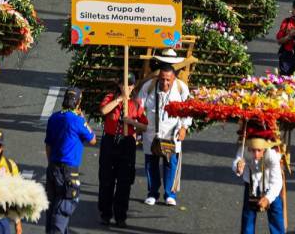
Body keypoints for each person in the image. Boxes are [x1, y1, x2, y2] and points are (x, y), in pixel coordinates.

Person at [139, 55, 191, 206]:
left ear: (174, 79)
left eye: (168, 79)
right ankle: (152, 193)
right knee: (151, 163)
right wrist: (137, 127)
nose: (165, 82)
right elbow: (138, 107)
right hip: (151, 132)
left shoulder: (181, 88)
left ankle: (170, 194)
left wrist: (184, 127)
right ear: (158, 77)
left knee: (171, 163)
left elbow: (188, 110)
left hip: (172, 133)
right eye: (162, 79)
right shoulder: (148, 86)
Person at [43, 88, 96, 234]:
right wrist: (83, 117)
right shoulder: (77, 121)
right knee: (63, 208)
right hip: (68, 172)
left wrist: (51, 165)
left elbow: (48, 145)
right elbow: (92, 139)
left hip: (53, 167)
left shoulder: (53, 117)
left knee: (52, 207)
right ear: (78, 103)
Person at [98, 76, 147, 227]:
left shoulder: (136, 104)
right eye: (124, 84)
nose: (127, 87)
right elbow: (103, 110)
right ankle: (105, 213)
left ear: (133, 87)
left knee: (124, 182)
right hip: (110, 141)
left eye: (130, 85)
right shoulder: (111, 98)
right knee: (106, 179)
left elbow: (145, 126)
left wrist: (131, 122)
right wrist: (119, 100)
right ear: (119, 85)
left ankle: (121, 216)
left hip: (127, 143)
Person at [235, 135, 284, 234]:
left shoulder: (272, 155)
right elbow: (237, 161)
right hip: (251, 186)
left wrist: (268, 198)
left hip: (270, 186)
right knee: (248, 216)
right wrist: (237, 166)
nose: (256, 154)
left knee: (276, 216)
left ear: (265, 148)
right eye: (253, 150)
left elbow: (277, 182)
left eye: (259, 150)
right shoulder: (244, 149)